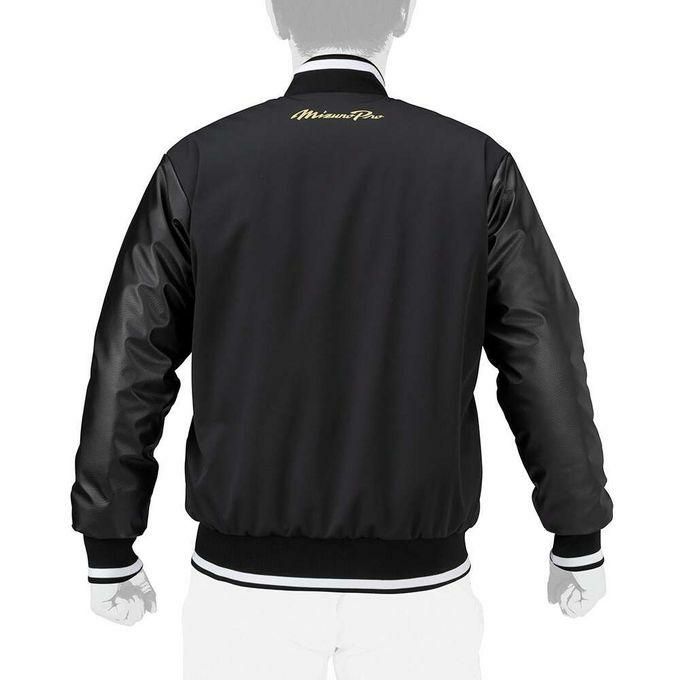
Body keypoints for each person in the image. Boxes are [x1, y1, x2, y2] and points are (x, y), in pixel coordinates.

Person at [71, 1, 613, 677]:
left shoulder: (201, 164)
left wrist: (109, 543)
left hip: (243, 592)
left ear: (277, 18)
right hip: (419, 594)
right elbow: (541, 349)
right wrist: (577, 531)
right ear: (403, 16)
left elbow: (131, 356)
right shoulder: (474, 166)